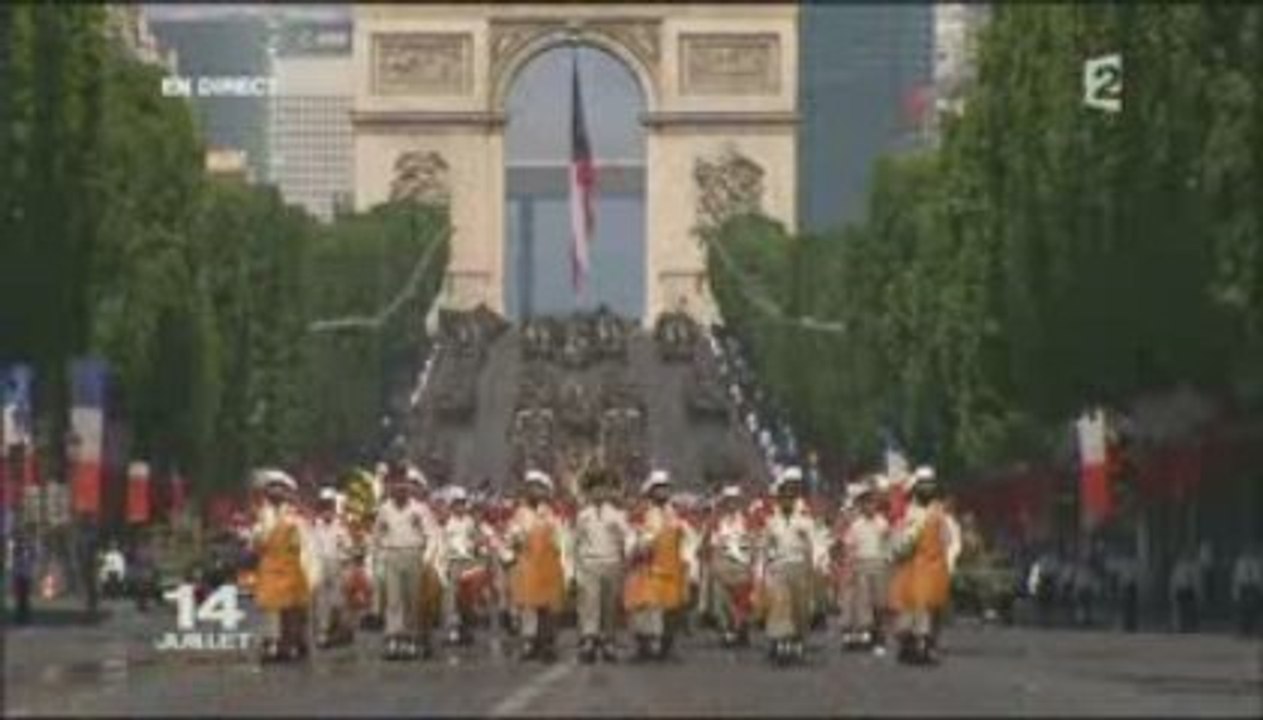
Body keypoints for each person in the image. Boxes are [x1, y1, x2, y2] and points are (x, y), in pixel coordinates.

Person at [760, 467, 829, 665]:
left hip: (801, 569)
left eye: (791, 495)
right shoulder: (771, 522)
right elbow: (764, 549)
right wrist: (762, 572)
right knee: (781, 606)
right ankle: (780, 643)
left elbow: (817, 544)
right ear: (779, 498)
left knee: (800, 610)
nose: (787, 499)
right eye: (784, 495)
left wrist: (818, 564)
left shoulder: (805, 521)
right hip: (780, 568)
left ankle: (797, 643)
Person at [625, 470, 692, 661]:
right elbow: (631, 539)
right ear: (650, 491)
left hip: (672, 569)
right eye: (658, 489)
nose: (663, 492)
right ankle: (643, 648)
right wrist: (639, 546)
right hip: (646, 570)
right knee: (643, 609)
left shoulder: (676, 515)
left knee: (671, 610)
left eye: (666, 488)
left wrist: (688, 563)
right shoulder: (641, 513)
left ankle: (667, 648)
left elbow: (686, 539)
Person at [887, 469, 952, 666]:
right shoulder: (910, 513)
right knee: (913, 610)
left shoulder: (939, 512)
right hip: (914, 568)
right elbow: (900, 543)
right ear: (916, 488)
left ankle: (928, 644)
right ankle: (914, 644)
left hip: (936, 569)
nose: (927, 487)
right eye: (923, 483)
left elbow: (948, 539)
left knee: (935, 610)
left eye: (930, 483)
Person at [506, 470, 572, 662]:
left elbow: (563, 541)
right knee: (528, 607)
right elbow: (511, 537)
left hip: (549, 568)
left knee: (548, 608)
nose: (534, 491)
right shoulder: (520, 513)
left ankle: (548, 643)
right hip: (527, 566)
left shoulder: (553, 515)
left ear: (546, 491)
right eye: (531, 487)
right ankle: (529, 642)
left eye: (539, 488)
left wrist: (568, 570)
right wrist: (514, 540)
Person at [251, 469, 316, 663]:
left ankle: (294, 642)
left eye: (280, 489)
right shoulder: (263, 514)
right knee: (271, 610)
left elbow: (306, 544)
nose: (275, 492)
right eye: (271, 488)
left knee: (294, 610)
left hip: (293, 568)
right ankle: (273, 643)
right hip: (270, 568)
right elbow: (258, 541)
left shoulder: (296, 516)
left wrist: (311, 571)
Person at [573, 467, 633, 663]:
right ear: (589, 493)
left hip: (612, 563)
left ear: (608, 491)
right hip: (589, 563)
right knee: (589, 604)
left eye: (603, 489)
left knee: (609, 605)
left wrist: (630, 555)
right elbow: (576, 542)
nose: (599, 494)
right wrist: (575, 569)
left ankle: (608, 641)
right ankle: (589, 640)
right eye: (595, 490)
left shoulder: (617, 515)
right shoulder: (583, 516)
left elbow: (628, 537)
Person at [373, 468, 432, 661]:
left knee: (412, 598)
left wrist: (427, 559)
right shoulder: (384, 509)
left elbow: (430, 535)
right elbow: (377, 535)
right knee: (393, 598)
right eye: (396, 485)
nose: (400, 489)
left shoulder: (419, 509)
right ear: (390, 487)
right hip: (392, 554)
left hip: (414, 554)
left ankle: (413, 635)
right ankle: (394, 635)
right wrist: (379, 558)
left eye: (403, 484)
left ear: (409, 487)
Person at [840, 482, 890, 655]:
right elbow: (849, 548)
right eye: (866, 503)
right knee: (864, 603)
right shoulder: (856, 525)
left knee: (880, 604)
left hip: (879, 564)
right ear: (861, 506)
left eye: (873, 503)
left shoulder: (882, 523)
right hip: (861, 565)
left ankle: (880, 636)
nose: (870, 507)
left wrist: (888, 561)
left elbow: (888, 545)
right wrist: (849, 569)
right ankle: (867, 635)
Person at [708, 484, 756, 648]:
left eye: (735, 501)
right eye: (729, 501)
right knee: (723, 601)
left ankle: (741, 629)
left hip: (741, 565)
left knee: (742, 600)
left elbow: (752, 543)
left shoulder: (746, 520)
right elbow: (714, 545)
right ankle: (727, 631)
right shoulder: (717, 521)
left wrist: (751, 564)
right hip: (723, 563)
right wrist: (715, 565)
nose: (732, 504)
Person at [438, 485, 487, 646]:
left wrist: (479, 545)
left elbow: (477, 539)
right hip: (452, 563)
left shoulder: (469, 522)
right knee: (451, 599)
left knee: (466, 600)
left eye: (462, 503)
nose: (460, 507)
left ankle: (466, 630)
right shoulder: (446, 523)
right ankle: (452, 630)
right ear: (451, 505)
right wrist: (442, 564)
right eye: (457, 503)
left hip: (468, 563)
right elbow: (442, 544)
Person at [310, 488, 353, 649]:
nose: (327, 510)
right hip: (320, 563)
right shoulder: (315, 525)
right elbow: (311, 547)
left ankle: (340, 630)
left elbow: (348, 547)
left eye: (330, 506)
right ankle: (323, 632)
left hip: (337, 565)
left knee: (338, 601)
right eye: (324, 506)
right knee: (321, 601)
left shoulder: (341, 526)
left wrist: (345, 560)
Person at [1230, 544, 1261, 637]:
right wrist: (1235, 592)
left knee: (1252, 610)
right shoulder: (1240, 563)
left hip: (1253, 588)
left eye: (1250, 551)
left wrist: (1259, 589)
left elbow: (1258, 577)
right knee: (1243, 610)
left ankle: (1251, 630)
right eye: (1246, 551)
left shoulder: (1256, 562)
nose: (1248, 553)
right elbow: (1236, 578)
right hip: (1243, 588)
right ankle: (1243, 630)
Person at [1169, 549, 1202, 633]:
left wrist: (1196, 590)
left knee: (1189, 609)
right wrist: (1172, 591)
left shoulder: (1191, 566)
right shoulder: (1178, 567)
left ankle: (1189, 626)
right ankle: (1180, 626)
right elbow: (1174, 580)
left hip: (1188, 589)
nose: (1184, 557)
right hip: (1181, 589)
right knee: (1180, 609)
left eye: (1186, 556)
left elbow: (1194, 579)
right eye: (1183, 556)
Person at [10, 525, 37, 625]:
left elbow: (33, 557)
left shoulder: (28, 547)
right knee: (20, 597)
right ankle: (20, 616)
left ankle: (24, 616)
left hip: (25, 574)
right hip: (19, 574)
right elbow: (14, 561)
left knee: (24, 596)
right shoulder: (16, 547)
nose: (21, 537)